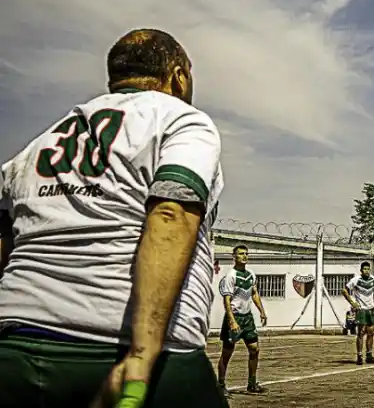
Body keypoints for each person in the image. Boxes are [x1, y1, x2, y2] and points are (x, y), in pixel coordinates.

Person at [0, 29, 227, 408]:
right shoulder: (183, 122)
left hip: (16, 350)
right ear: (178, 76)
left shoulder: (38, 145)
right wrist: (142, 353)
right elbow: (170, 213)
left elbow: (6, 246)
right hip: (127, 351)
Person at [217, 244, 268, 397]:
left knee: (254, 349)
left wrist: (262, 311)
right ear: (234, 257)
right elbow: (226, 301)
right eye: (241, 254)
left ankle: (252, 384)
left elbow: (254, 293)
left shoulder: (251, 274)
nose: (245, 256)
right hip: (235, 316)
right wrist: (232, 321)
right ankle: (220, 385)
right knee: (227, 352)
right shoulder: (230, 276)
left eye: (246, 253)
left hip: (247, 318)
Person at [342, 261, 374, 365]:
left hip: (371, 309)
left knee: (371, 332)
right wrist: (353, 303)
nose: (366, 271)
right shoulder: (355, 280)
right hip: (361, 310)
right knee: (361, 332)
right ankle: (359, 356)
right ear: (361, 270)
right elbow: (344, 291)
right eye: (364, 269)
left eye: (368, 269)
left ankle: (369, 355)